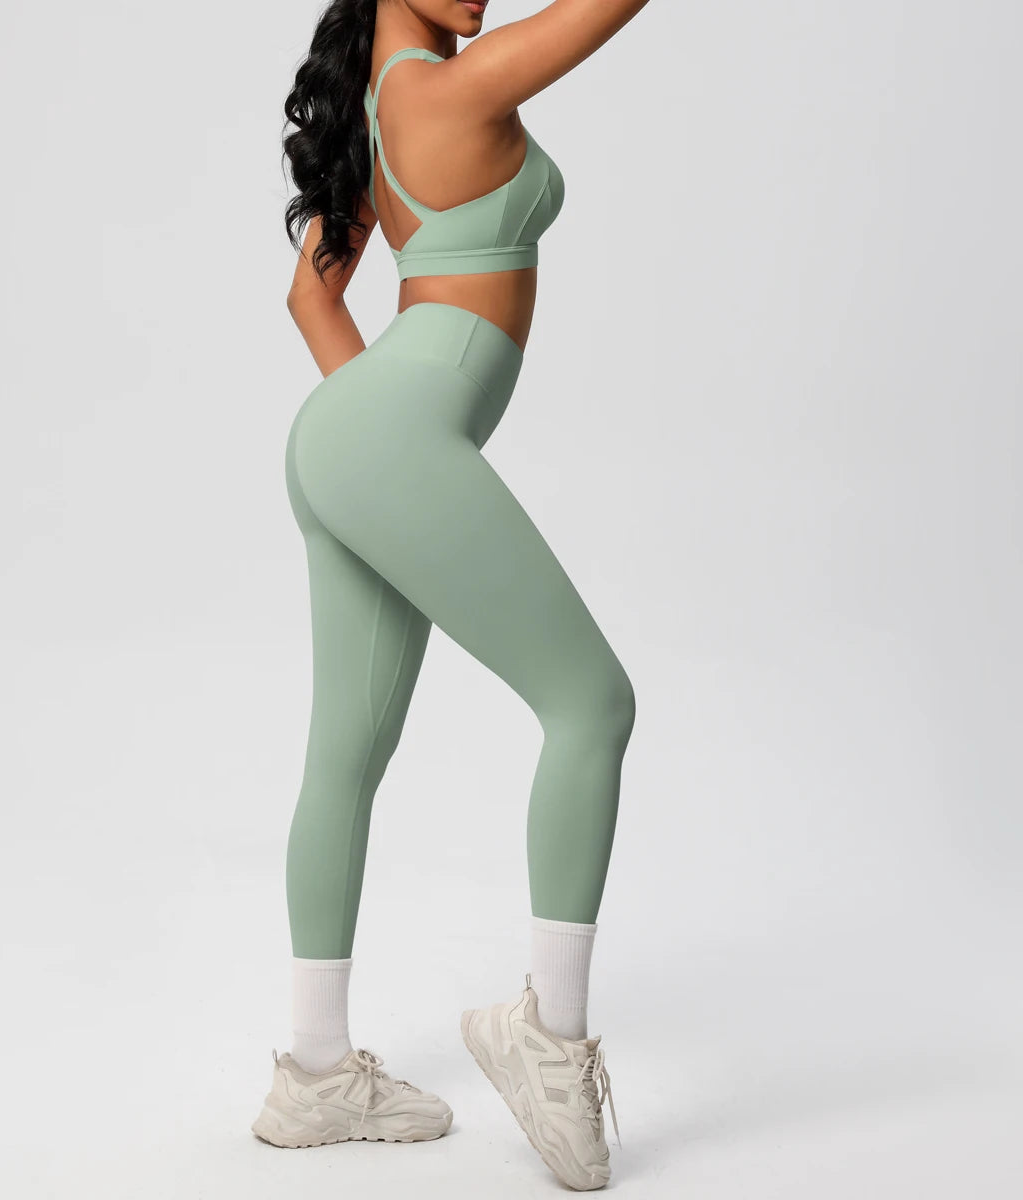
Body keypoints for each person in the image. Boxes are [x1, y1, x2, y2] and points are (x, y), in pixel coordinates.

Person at [251, 0, 653, 1189]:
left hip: (355, 435)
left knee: (344, 760)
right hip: (383, 434)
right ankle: (549, 1040)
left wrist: (363, 449)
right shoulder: (442, 90)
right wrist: (387, 448)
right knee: (593, 705)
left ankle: (315, 1076)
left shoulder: (383, 119)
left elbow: (311, 300)